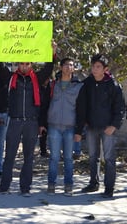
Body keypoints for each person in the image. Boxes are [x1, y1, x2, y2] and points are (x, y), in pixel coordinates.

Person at [0, 43, 56, 197]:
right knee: (9, 155)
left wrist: (52, 52)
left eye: (27, 63)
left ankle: (25, 187)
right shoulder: (11, 78)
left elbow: (48, 69)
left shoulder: (37, 78)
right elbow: (0, 67)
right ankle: (4, 186)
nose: (24, 66)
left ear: (31, 64)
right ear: (18, 64)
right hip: (14, 121)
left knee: (29, 156)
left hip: (31, 122)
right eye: (21, 63)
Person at [78, 54, 125, 198]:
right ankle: (93, 183)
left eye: (98, 67)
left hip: (108, 128)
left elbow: (120, 107)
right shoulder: (87, 83)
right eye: (93, 66)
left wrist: (114, 125)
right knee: (93, 156)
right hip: (92, 127)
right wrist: (81, 127)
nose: (94, 69)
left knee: (109, 158)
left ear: (105, 69)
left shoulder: (113, 85)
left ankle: (109, 188)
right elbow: (81, 106)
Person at [45, 58, 84, 196]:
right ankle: (51, 184)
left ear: (74, 69)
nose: (69, 67)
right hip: (54, 126)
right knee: (54, 157)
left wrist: (79, 130)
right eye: (66, 65)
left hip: (70, 126)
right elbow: (45, 104)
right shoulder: (52, 84)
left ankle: (68, 185)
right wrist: (42, 124)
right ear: (61, 67)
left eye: (71, 65)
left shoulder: (78, 86)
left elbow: (81, 109)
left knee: (68, 158)